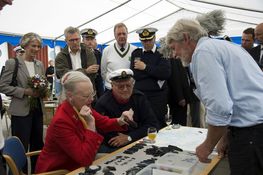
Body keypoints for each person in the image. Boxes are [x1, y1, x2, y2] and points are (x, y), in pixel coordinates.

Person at [166, 18, 263, 175]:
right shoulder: (222, 45)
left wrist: (207, 145)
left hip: (252, 133)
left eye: (174, 47)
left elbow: (220, 107)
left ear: (185, 38)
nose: (174, 54)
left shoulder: (203, 53)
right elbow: (230, 98)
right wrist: (224, 137)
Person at [35, 71, 133, 173]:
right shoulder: (61, 121)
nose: (91, 99)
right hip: (58, 170)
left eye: (92, 94)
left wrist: (120, 120)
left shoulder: (79, 106)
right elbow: (85, 159)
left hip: (75, 162)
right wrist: (90, 125)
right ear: (70, 96)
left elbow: (103, 122)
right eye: (86, 96)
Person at [0, 32, 46, 172]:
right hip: (21, 111)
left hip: (37, 109)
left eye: (39, 46)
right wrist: (25, 92)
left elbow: (42, 82)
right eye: (33, 46)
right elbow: (3, 86)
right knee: (21, 146)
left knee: (38, 144)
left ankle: (38, 171)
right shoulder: (12, 63)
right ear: (24, 45)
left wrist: (44, 91)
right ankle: (20, 172)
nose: (37, 49)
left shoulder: (39, 64)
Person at [95, 68, 159, 153]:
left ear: (133, 84)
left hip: (137, 140)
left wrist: (129, 137)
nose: (125, 89)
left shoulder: (139, 98)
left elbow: (153, 125)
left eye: (128, 85)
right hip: (113, 146)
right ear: (112, 86)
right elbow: (102, 132)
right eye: (120, 86)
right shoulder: (103, 103)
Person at [130, 27, 171, 128]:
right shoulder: (136, 53)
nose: (146, 43)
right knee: (142, 124)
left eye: (149, 40)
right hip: (141, 96)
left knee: (159, 124)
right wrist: (154, 73)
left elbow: (165, 73)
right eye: (144, 40)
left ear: (154, 38)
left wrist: (145, 67)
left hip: (157, 98)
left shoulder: (162, 53)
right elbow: (136, 74)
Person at [101, 23, 137, 91]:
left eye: (124, 33)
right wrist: (111, 84)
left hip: (129, 90)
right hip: (111, 90)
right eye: (119, 34)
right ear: (114, 35)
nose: (122, 36)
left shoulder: (135, 50)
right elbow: (103, 72)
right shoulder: (107, 50)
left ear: (127, 34)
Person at [80, 28, 104, 97]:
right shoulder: (79, 54)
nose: (90, 42)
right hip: (83, 86)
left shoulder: (98, 53)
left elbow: (101, 72)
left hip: (97, 87)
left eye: (92, 39)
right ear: (82, 40)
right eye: (87, 39)